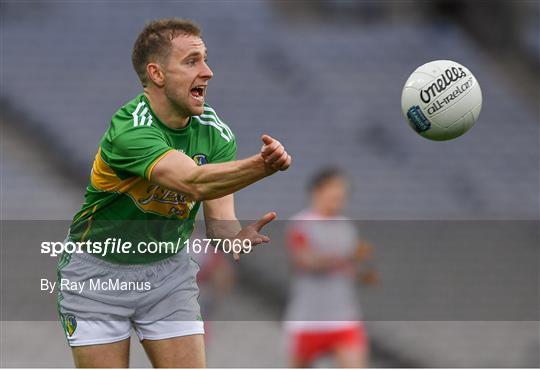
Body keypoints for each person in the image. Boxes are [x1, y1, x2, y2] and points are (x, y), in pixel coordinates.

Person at [56, 18, 291, 368]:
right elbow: (193, 182)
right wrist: (262, 166)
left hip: (167, 273)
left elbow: (218, 220)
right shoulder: (130, 130)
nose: (208, 72)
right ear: (157, 73)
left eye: (206, 59)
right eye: (192, 61)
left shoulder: (216, 134)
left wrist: (233, 236)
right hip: (97, 276)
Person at [284, 167, 377, 368]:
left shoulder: (346, 227)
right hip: (308, 320)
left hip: (343, 319)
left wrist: (363, 275)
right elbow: (305, 261)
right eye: (335, 189)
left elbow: (348, 269)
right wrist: (347, 256)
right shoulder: (301, 224)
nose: (341, 195)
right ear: (318, 191)